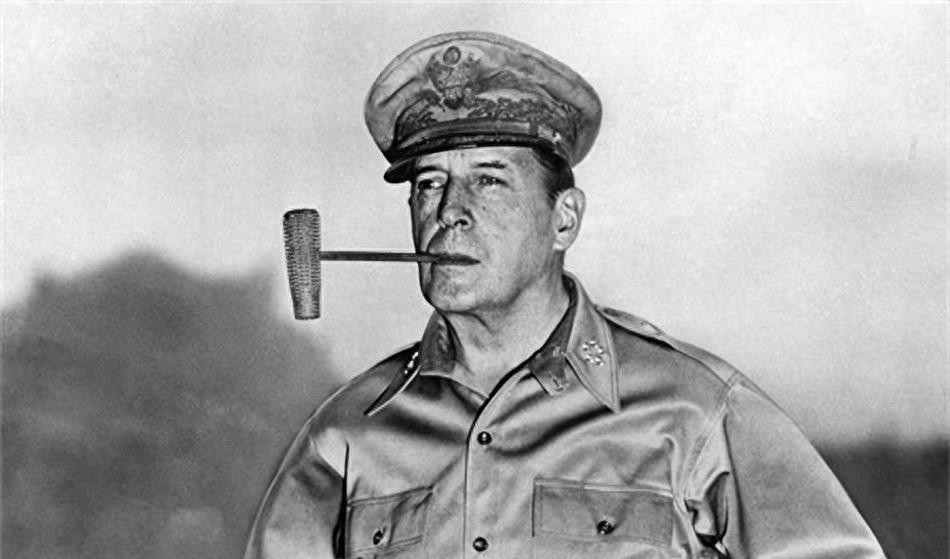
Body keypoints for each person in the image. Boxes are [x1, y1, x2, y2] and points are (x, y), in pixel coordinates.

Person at [245, 31, 884, 558]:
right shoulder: (346, 434)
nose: (450, 213)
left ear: (564, 220)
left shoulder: (695, 411)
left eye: (489, 180)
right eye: (430, 184)